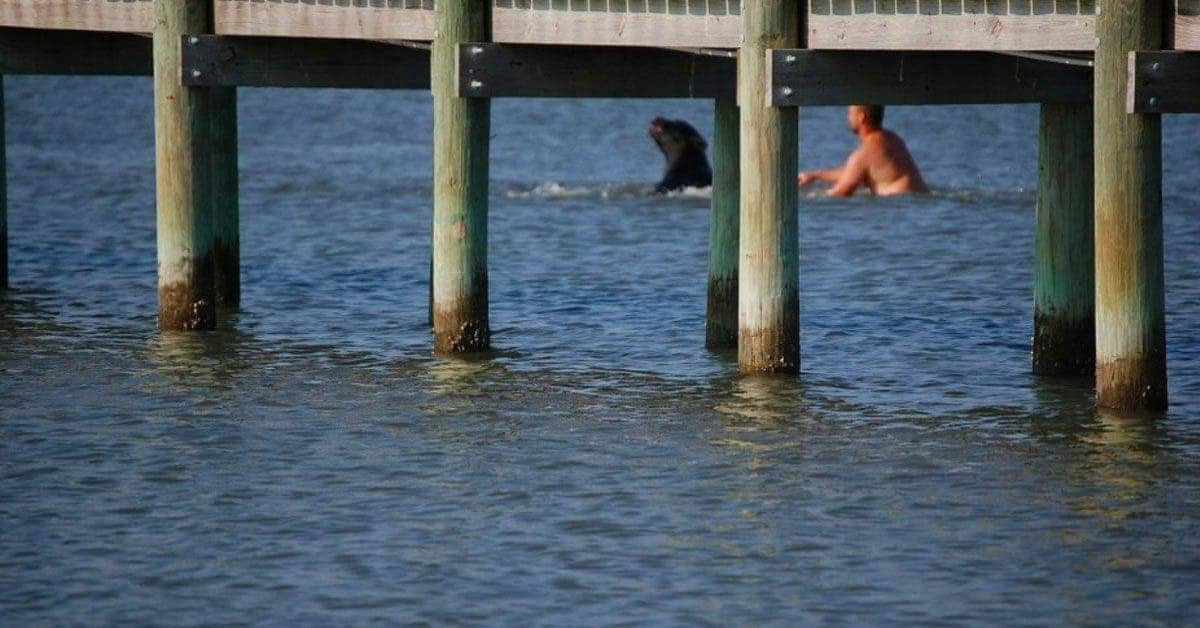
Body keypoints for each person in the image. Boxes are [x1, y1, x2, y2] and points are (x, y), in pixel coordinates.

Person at [798, 105, 929, 197]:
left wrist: (808, 199)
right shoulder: (892, 139)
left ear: (861, 117)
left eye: (850, 113)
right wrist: (815, 176)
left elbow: (839, 194)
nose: (848, 117)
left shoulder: (864, 154)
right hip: (917, 201)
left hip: (896, 205)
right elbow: (854, 172)